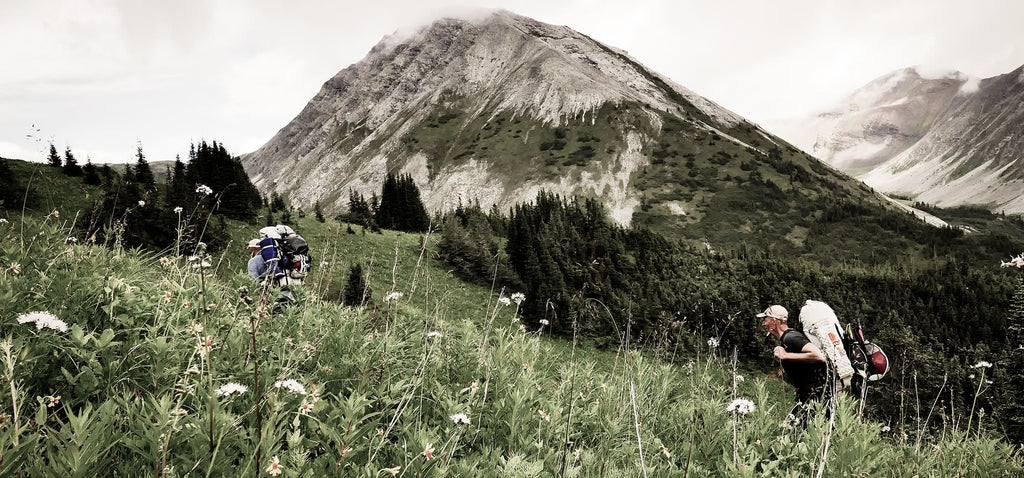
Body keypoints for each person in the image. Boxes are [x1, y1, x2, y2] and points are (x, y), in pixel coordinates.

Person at [759, 304, 830, 427]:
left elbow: (818, 356)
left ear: (774, 321)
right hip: (810, 394)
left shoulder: (791, 337)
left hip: (815, 396)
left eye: (765, 319)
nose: (763, 324)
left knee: (800, 431)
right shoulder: (787, 338)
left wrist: (786, 356)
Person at [247, 238, 293, 307]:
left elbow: (253, 282)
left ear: (253, 249)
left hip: (271, 298)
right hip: (289, 294)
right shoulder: (279, 257)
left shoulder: (253, 261)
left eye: (250, 250)